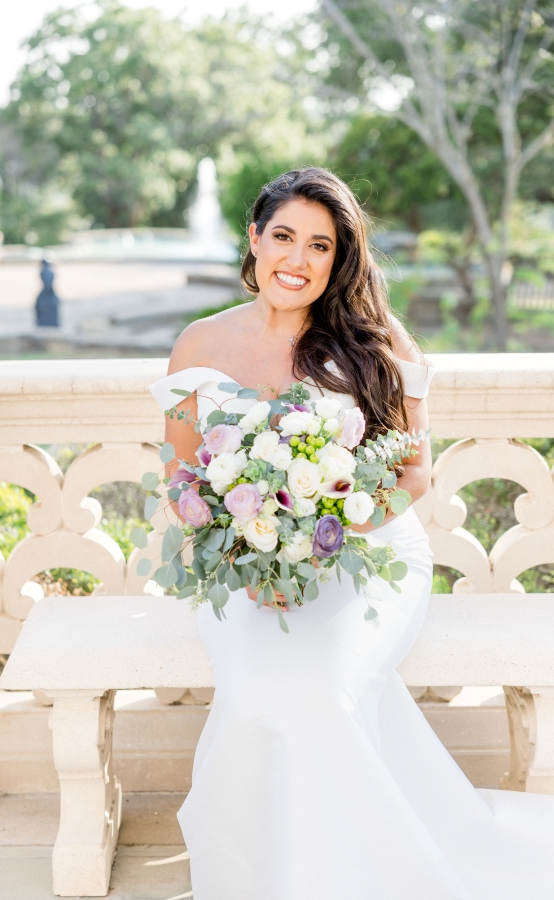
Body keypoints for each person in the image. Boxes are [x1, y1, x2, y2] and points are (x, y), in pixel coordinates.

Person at [150, 168, 554, 900]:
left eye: (320, 246)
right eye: (283, 237)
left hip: (366, 554)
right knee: (253, 694)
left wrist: (314, 538)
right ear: (254, 237)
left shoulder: (373, 342)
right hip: (245, 567)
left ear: (339, 260)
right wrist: (250, 554)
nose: (296, 260)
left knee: (321, 688)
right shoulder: (199, 343)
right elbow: (180, 478)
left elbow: (413, 476)